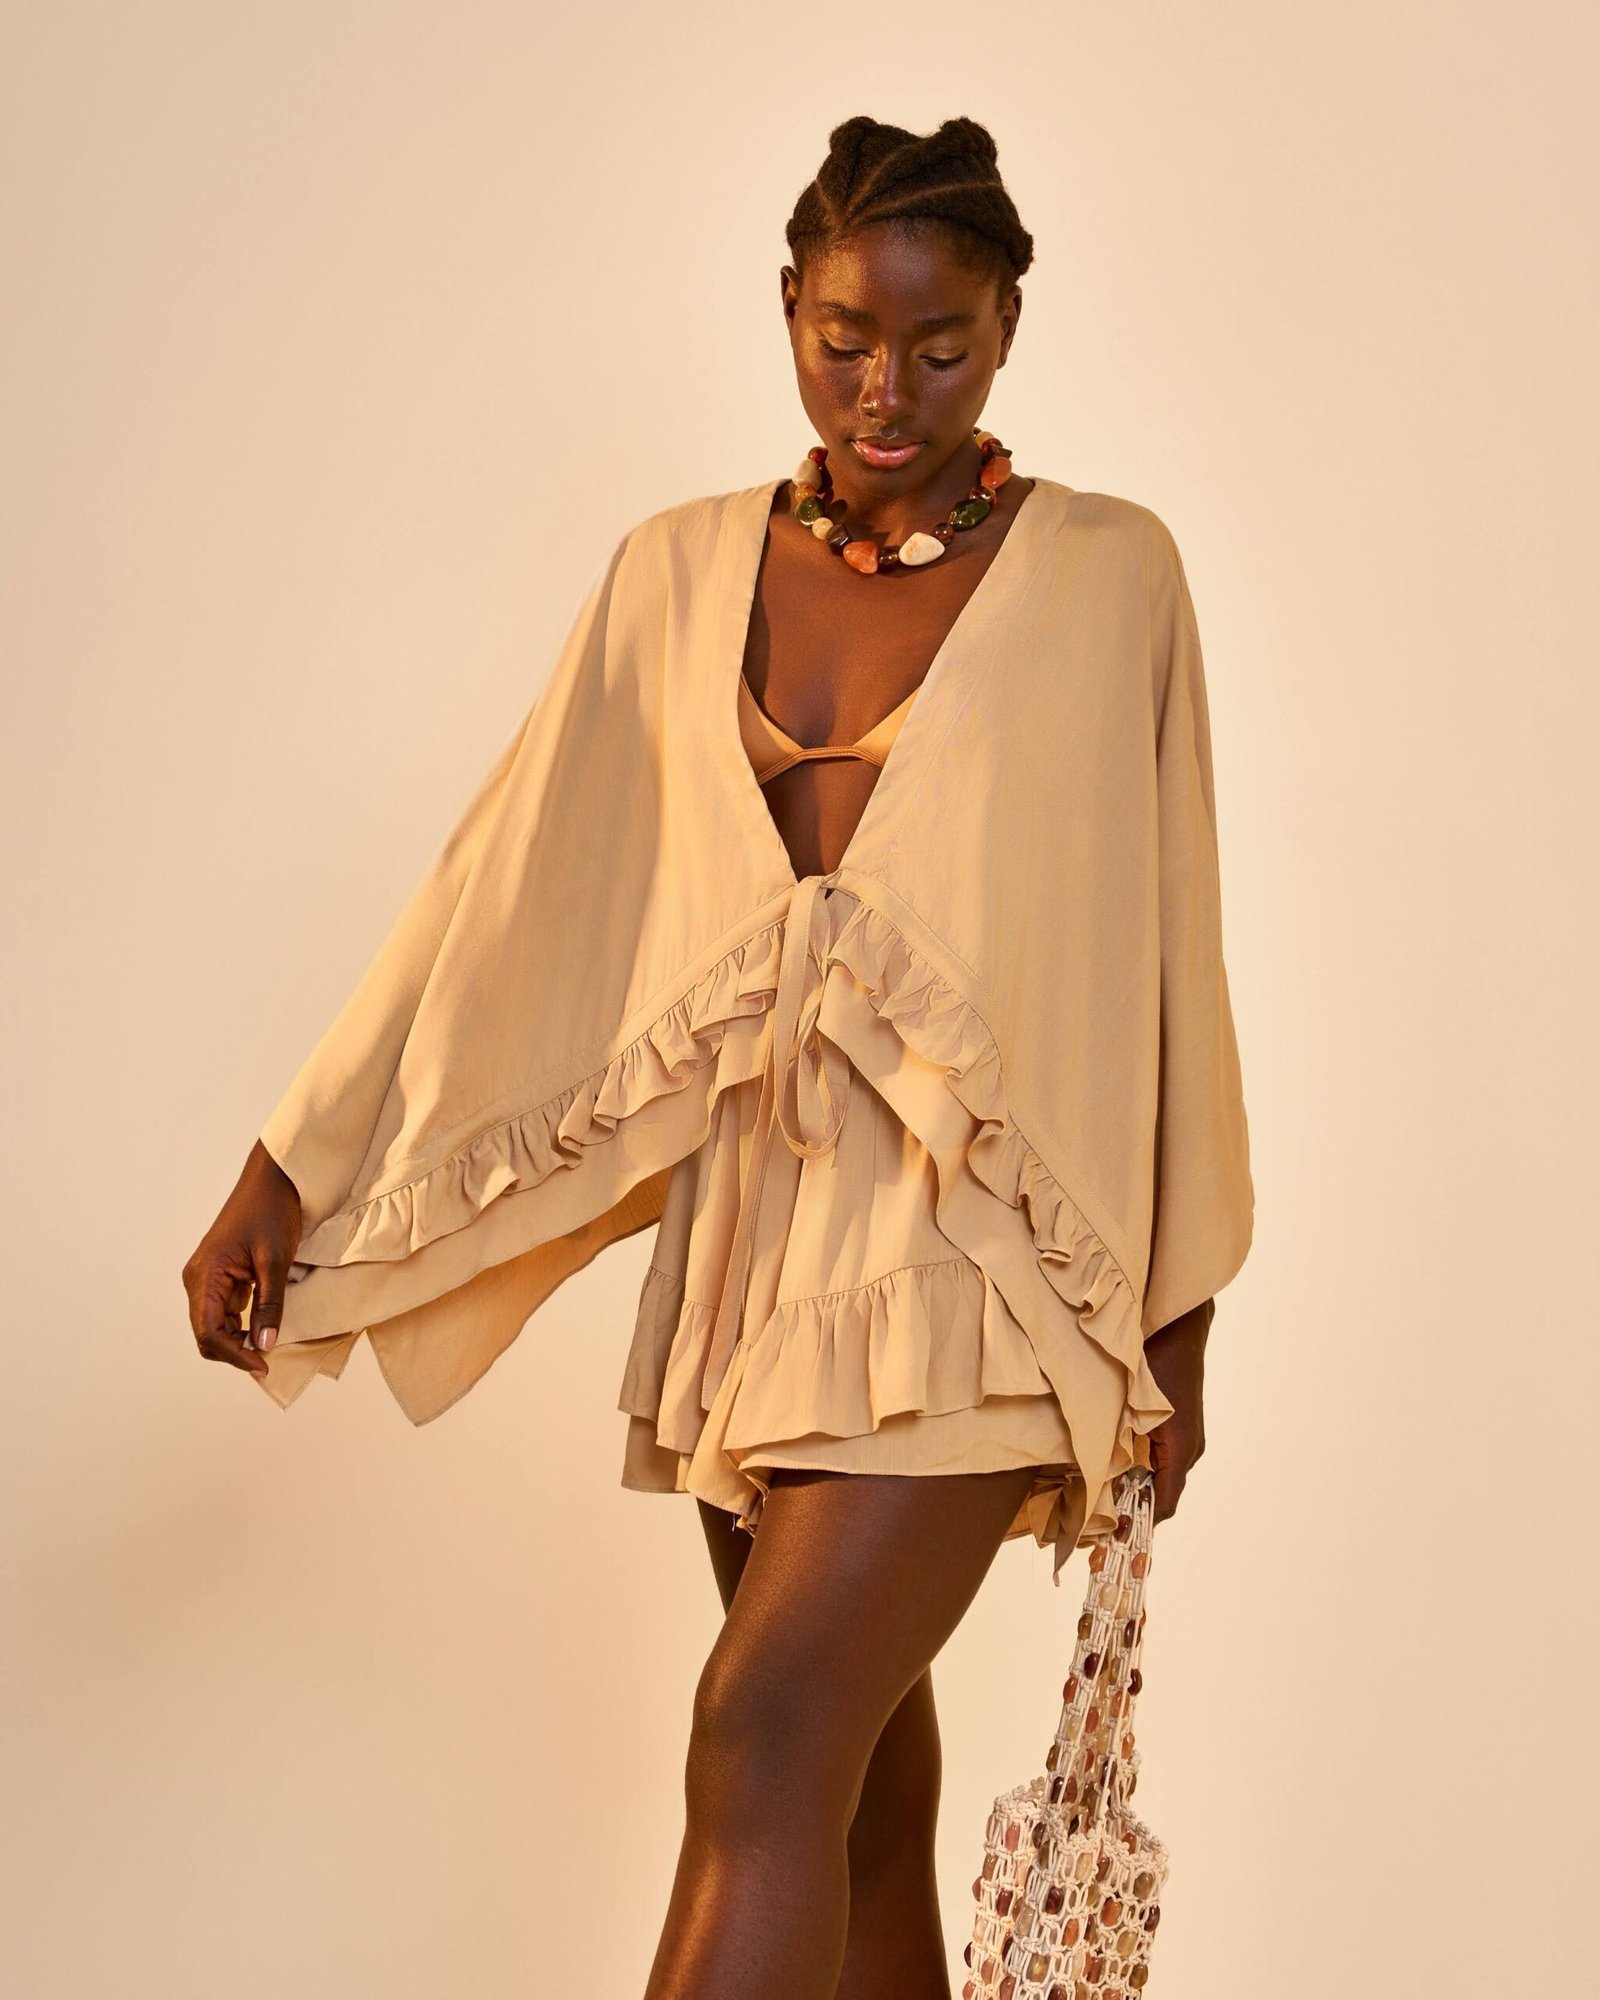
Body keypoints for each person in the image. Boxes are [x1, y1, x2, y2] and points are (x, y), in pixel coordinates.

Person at [183, 114, 1251, 2000]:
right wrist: (291, 1164)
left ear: (1008, 329)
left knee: (758, 1737)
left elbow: (1175, 940)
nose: (888, 390)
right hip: (752, 1259)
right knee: (853, 1804)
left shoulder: (1111, 575)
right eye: (846, 339)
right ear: (787, 309)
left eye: (942, 346)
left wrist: (1183, 1313)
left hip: (985, 1264)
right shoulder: (674, 573)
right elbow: (495, 879)